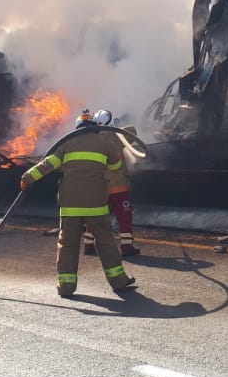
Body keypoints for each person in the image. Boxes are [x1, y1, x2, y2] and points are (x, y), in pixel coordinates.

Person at [21, 109, 137, 298]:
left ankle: (66, 286)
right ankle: (119, 281)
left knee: (67, 244)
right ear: (94, 127)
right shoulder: (105, 143)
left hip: (70, 205)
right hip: (96, 204)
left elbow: (48, 164)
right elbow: (116, 166)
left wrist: (27, 178)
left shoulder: (66, 144)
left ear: (77, 128)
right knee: (106, 242)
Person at [84, 117, 140, 257]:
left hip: (99, 187)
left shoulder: (91, 141)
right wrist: (117, 128)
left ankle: (88, 245)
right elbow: (132, 130)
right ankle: (127, 247)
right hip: (117, 187)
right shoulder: (117, 137)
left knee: (96, 217)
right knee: (124, 217)